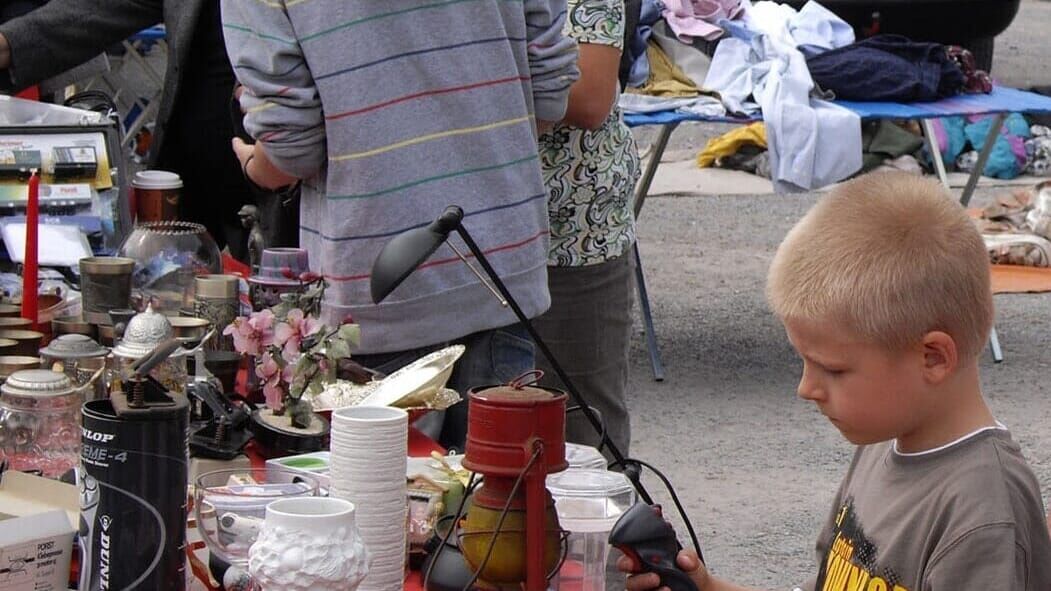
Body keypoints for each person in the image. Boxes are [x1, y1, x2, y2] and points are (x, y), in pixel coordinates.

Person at [620, 171, 1051, 590]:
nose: (806, 388)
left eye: (833, 369)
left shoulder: (985, 515)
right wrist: (708, 587)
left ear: (933, 357)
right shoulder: (884, 439)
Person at [222, 0, 579, 449]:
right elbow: (549, 92)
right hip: (501, 266)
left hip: (376, 289)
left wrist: (256, 165)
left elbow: (292, 148)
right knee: (500, 503)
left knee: (389, 507)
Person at [0, 0, 255, 259]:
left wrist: (278, 157)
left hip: (272, 187)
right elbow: (103, 8)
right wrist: (9, 42)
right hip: (187, 194)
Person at [533, 0, 640, 457]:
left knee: (582, 427)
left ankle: (600, 530)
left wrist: (476, 92)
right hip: (480, 230)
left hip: (575, 234)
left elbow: (592, 96)